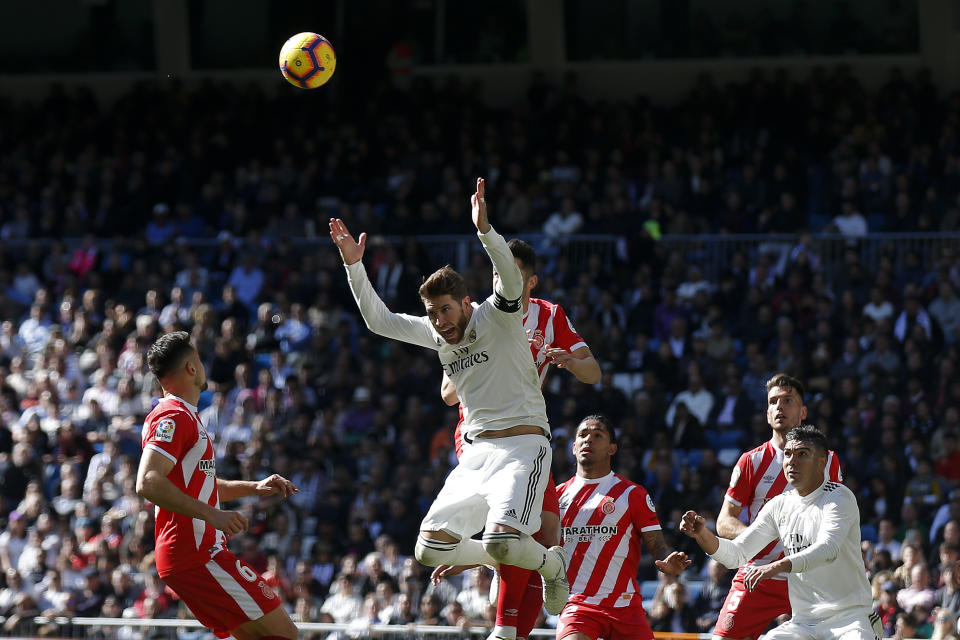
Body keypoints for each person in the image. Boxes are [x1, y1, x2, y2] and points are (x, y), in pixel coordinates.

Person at [329, 177, 569, 616]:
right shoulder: (437, 334)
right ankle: (535, 556)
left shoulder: (499, 316)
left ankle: (550, 566)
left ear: (466, 302)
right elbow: (379, 321)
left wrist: (485, 231)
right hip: (477, 455)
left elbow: (511, 279)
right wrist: (354, 266)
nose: (438, 321)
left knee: (500, 537)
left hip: (522, 448)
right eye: (431, 313)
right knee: (428, 549)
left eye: (445, 309)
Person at [437, 237, 601, 640]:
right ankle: (505, 629)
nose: (500, 277)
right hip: (482, 435)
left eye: (509, 272)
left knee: (547, 533)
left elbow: (593, 373)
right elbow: (447, 393)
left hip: (528, 433)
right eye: (495, 270)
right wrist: (481, 359)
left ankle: (514, 622)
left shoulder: (549, 316)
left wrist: (568, 360)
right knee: (515, 530)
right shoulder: (478, 316)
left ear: (530, 282)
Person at [136, 331, 300, 640]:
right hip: (196, 554)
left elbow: (203, 486)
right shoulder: (173, 415)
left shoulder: (183, 416)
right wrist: (212, 515)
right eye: (198, 357)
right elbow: (147, 481)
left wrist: (254, 486)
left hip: (193, 555)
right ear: (191, 368)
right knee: (286, 635)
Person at [680, 425, 883, 640]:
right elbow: (738, 554)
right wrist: (702, 535)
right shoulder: (779, 505)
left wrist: (777, 565)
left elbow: (827, 549)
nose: (791, 461)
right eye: (787, 454)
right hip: (804, 623)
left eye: (802, 454)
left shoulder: (840, 497)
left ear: (822, 463)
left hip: (849, 619)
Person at [712, 373, 842, 640]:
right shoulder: (751, 461)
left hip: (809, 578)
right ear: (767, 414)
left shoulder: (827, 461)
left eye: (788, 400)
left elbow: (838, 514)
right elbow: (724, 522)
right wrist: (761, 536)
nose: (779, 407)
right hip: (757, 575)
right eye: (773, 402)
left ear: (803, 411)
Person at [554, 414, 691, 640]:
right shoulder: (556, 496)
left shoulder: (632, 494)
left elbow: (658, 547)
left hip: (625, 607)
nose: (588, 439)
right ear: (573, 447)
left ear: (612, 448)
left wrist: (668, 562)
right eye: (582, 435)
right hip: (578, 604)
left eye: (598, 435)